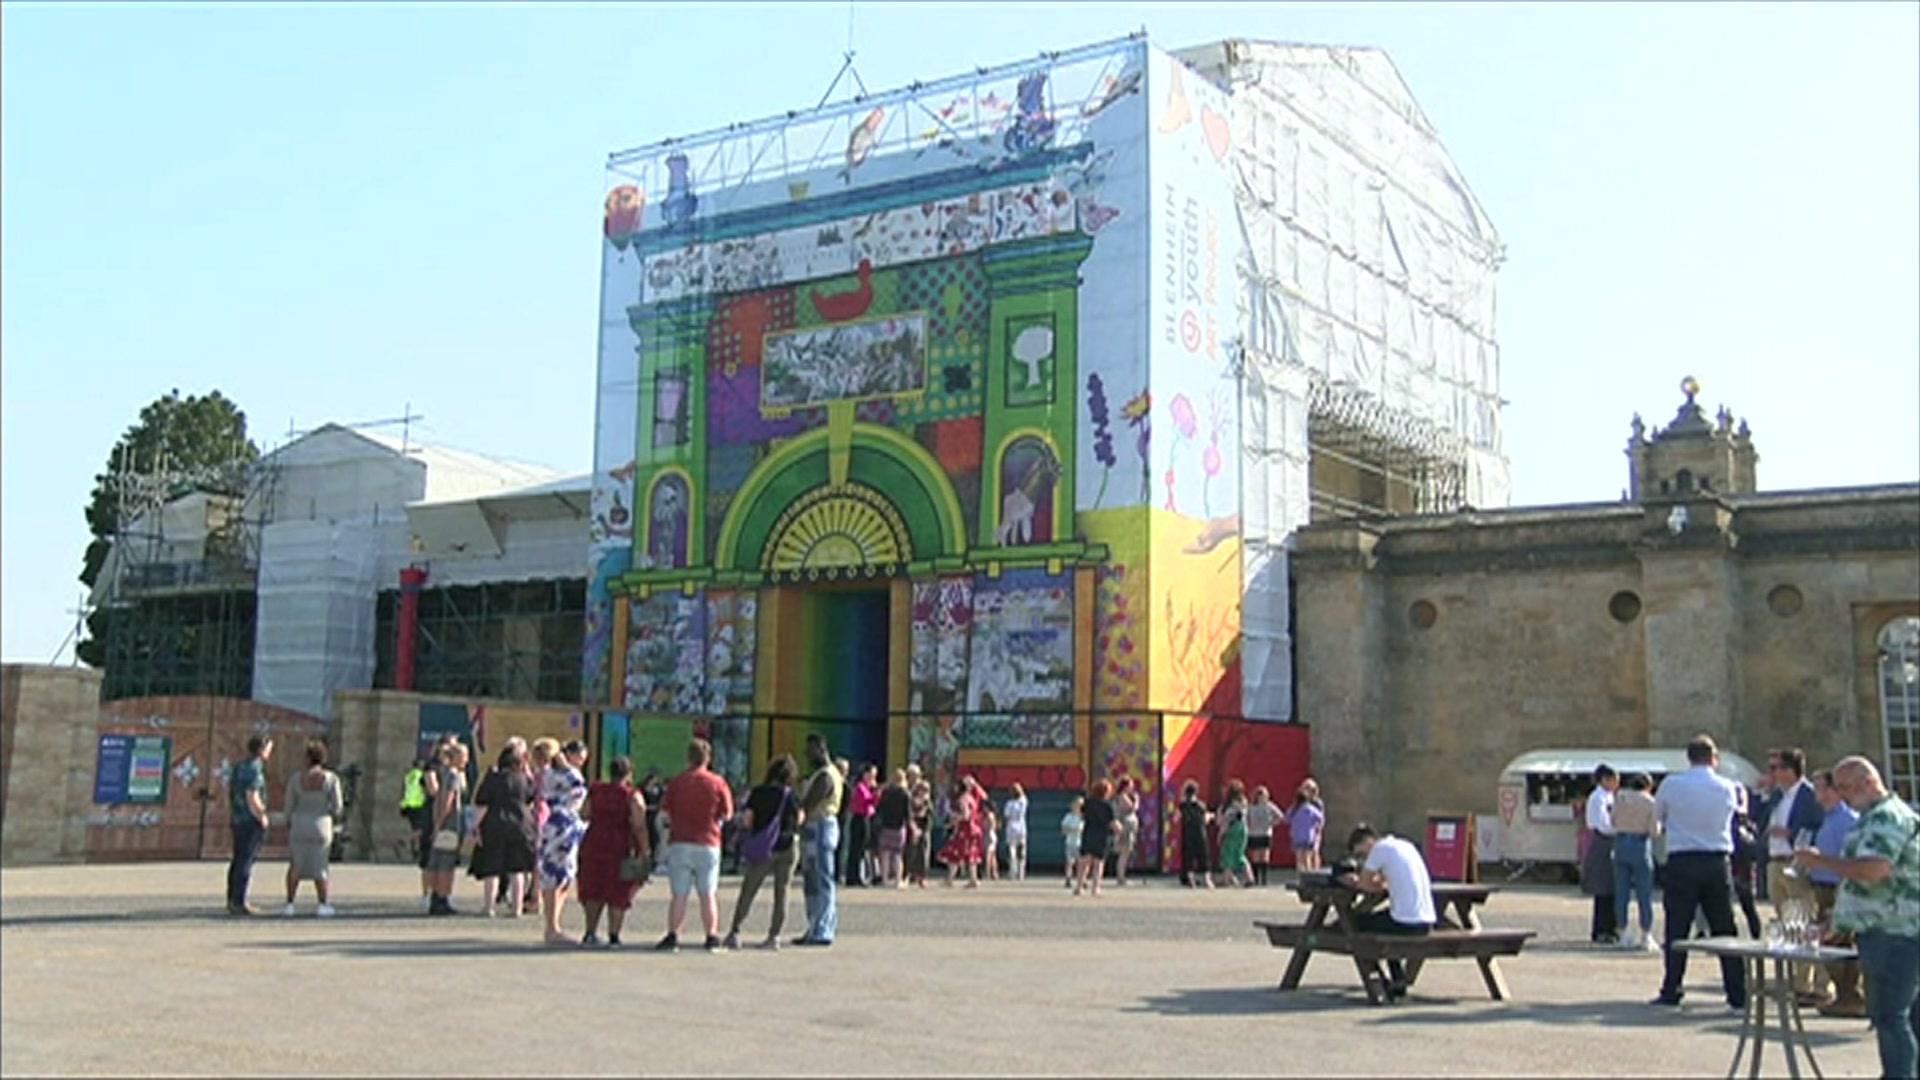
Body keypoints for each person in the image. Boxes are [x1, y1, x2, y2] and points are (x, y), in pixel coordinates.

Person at [1794, 756, 1920, 1080]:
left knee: (1890, 1016)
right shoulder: (1873, 817)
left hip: (1894, 931)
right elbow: (1863, 886)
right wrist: (1838, 921)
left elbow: (1875, 870)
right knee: (1905, 1015)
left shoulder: (1886, 818)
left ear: (1869, 782)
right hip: (1887, 926)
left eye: (1846, 788)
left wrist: (1823, 862)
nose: (1842, 795)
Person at [1650, 735, 1747, 1011]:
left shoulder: (1672, 785)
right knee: (1724, 927)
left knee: (1677, 927)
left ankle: (1672, 988)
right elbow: (1732, 817)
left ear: (1689, 757)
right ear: (1714, 758)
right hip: (1716, 860)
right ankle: (1736, 991)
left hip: (1682, 859)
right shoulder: (1728, 787)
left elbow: (1658, 820)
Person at [653, 738, 733, 952]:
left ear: (688, 757)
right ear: (708, 758)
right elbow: (727, 813)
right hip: (708, 842)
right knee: (708, 893)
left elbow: (665, 813)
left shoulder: (677, 782)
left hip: (680, 842)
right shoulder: (718, 783)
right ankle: (711, 937)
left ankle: (673, 936)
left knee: (679, 894)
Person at [1341, 824, 1437, 1002]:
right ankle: (1398, 978)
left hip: (1405, 923)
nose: (1362, 859)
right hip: (1427, 921)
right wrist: (1374, 882)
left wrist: (1352, 881)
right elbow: (1383, 882)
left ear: (1367, 842)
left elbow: (1364, 884)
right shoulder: (1404, 845)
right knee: (1385, 920)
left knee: (1354, 924)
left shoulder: (1379, 849)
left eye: (1361, 854)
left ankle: (1380, 980)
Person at [1760, 747, 1826, 1003]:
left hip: (1796, 862)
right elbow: (1758, 818)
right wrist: (1763, 794)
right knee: (1788, 927)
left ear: (1790, 771)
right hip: (1775, 861)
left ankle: (1817, 984)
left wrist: (1790, 833)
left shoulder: (1809, 795)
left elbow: (1816, 825)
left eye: (1775, 768)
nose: (1771, 774)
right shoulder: (1777, 795)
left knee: (1805, 924)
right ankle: (1800, 982)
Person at [725, 754, 803, 950]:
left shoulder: (759, 793)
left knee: (749, 889)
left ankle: (735, 931)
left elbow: (748, 819)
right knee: (782, 892)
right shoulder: (791, 795)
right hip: (789, 846)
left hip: (764, 846)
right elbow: (800, 818)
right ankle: (773, 936)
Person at [1806, 769, 1865, 1017]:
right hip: (1822, 887)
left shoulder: (1848, 820)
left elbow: (1851, 858)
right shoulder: (1828, 818)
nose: (1816, 794)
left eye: (1820, 787)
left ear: (1833, 790)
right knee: (1828, 943)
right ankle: (1844, 994)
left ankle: (1851, 996)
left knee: (1840, 943)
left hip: (1839, 888)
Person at [578, 755, 649, 948]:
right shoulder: (632, 795)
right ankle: (614, 935)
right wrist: (645, 850)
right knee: (618, 891)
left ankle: (590, 932)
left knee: (593, 887)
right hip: (621, 845)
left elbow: (584, 814)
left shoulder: (596, 790)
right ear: (628, 774)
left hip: (594, 842)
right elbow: (638, 824)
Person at [469, 744, 537, 918]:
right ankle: (517, 908)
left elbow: (482, 804)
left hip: (495, 824)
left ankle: (489, 907)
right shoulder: (524, 779)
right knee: (518, 869)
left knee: (492, 868)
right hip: (521, 825)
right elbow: (531, 798)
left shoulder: (492, 778)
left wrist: (475, 826)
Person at [281, 739, 343, 917]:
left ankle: (290, 904)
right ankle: (323, 905)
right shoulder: (331, 779)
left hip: (300, 824)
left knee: (295, 866)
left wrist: (289, 820)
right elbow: (337, 807)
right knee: (321, 867)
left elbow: (288, 805)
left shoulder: (296, 779)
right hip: (321, 825)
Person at [536, 738, 589, 945]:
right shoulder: (570, 775)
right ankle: (552, 927)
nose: (581, 762)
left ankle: (553, 924)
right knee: (560, 876)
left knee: (557, 876)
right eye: (580, 757)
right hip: (564, 825)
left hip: (553, 824)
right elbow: (577, 791)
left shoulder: (547, 773)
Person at [794, 735, 844, 946]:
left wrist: (798, 808)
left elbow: (808, 803)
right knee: (813, 880)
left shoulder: (825, 776)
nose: (807, 755)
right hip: (820, 827)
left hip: (820, 827)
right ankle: (815, 926)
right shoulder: (825, 774)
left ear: (820, 750)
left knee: (820, 880)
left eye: (810, 751)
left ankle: (822, 929)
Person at [1610, 772, 1660, 952]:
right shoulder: (1650, 802)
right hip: (1640, 844)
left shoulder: (1620, 798)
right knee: (1644, 892)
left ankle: (1622, 932)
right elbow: (1654, 830)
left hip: (1621, 842)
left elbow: (1612, 821)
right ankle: (1646, 934)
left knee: (1621, 891)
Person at [226, 735, 273, 916]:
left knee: (237, 860)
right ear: (261, 750)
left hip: (237, 818)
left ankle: (232, 898)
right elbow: (252, 795)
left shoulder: (240, 767)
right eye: (268, 748)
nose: (269, 752)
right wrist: (262, 816)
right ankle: (240, 901)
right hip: (249, 820)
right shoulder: (254, 770)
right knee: (246, 860)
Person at [424, 741, 470, 917]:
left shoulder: (444, 773)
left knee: (436, 861)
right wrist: (440, 823)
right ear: (455, 757)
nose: (466, 760)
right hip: (449, 824)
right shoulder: (453, 776)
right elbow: (446, 801)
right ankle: (442, 898)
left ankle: (435, 896)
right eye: (464, 756)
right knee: (446, 863)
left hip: (442, 822)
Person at [1583, 764, 1621, 945]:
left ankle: (1610, 927)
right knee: (1603, 888)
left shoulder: (1609, 797)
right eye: (1613, 780)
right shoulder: (1598, 798)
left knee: (1611, 887)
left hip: (1610, 841)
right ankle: (1601, 929)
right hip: (1603, 841)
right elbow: (1602, 824)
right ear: (1604, 780)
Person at [1074, 779, 1119, 897]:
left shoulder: (1088, 803)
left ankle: (1079, 886)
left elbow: (1079, 812)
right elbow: (1113, 823)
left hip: (1088, 832)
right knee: (1098, 863)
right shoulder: (1108, 806)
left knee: (1084, 861)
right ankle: (1095, 887)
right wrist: (1119, 830)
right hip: (1102, 835)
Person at [940, 777, 985, 888]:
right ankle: (973, 879)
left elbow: (965, 815)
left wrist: (954, 818)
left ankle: (950, 879)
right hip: (974, 829)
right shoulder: (972, 798)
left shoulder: (962, 799)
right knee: (971, 855)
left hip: (965, 830)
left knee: (955, 854)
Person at [875, 769, 911, 888]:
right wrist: (911, 826)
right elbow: (908, 813)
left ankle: (885, 879)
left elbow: (879, 808)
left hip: (886, 826)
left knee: (885, 854)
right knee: (897, 855)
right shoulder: (905, 793)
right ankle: (897, 880)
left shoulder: (886, 792)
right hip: (899, 827)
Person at [846, 764, 879, 888]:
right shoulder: (860, 787)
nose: (873, 778)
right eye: (871, 775)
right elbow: (866, 800)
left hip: (866, 817)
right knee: (857, 848)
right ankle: (854, 876)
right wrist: (875, 793)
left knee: (862, 848)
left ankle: (858, 875)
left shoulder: (867, 787)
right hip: (859, 818)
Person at [1178, 781, 1214, 889]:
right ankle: (1207, 881)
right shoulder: (1200, 805)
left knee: (1188, 857)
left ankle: (1191, 880)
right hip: (1200, 833)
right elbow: (1205, 820)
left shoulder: (1182, 806)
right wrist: (1211, 816)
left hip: (1187, 834)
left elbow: (1176, 817)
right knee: (1203, 857)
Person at [1218, 780, 1253, 888]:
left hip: (1232, 830)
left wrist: (1221, 834)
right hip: (1243, 830)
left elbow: (1227, 821)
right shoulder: (1243, 802)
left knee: (1227, 854)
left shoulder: (1229, 806)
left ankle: (1227, 879)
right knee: (1239, 854)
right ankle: (1249, 877)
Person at [1245, 785, 1280, 886]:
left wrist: (1271, 823)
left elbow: (1280, 816)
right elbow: (1246, 817)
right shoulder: (1251, 807)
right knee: (1255, 857)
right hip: (1254, 833)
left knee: (1264, 856)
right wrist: (1249, 826)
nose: (1262, 798)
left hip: (1265, 833)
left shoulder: (1269, 806)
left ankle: (1264, 880)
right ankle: (1256, 879)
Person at [1288, 780, 1324, 874]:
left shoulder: (1316, 803)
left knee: (1311, 854)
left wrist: (1317, 828)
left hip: (1311, 832)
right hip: (1307, 834)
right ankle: (1307, 873)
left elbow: (1320, 818)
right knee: (1304, 855)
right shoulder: (1300, 806)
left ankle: (1313, 871)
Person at [1111, 777, 1141, 886]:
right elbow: (1132, 808)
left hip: (1126, 826)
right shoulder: (1123, 796)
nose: (1132, 788)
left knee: (1125, 853)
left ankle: (1121, 876)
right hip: (1126, 827)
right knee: (1124, 853)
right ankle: (1121, 877)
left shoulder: (1120, 796)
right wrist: (1137, 800)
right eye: (1130, 786)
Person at [906, 777, 934, 889]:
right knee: (911, 852)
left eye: (927, 789)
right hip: (914, 828)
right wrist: (914, 828)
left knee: (923, 854)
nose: (925, 791)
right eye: (923, 789)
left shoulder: (928, 802)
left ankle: (922, 877)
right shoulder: (912, 800)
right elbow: (911, 815)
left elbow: (929, 816)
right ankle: (909, 875)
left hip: (925, 829)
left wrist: (924, 830)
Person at [1002, 783, 1029, 882]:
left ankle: (1013, 871)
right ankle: (1021, 873)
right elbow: (1023, 797)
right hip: (1021, 827)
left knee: (1012, 850)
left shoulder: (1009, 804)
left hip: (1011, 827)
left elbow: (1006, 815)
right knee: (1021, 850)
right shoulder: (1024, 801)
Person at [1061, 797, 1085, 887]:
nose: (1078, 807)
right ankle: (1068, 878)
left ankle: (1082, 879)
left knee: (1081, 862)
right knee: (1070, 862)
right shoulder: (1068, 817)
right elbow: (1063, 829)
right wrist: (1071, 830)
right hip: (1070, 842)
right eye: (1076, 805)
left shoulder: (1083, 818)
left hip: (1081, 842)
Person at [981, 801, 1001, 882]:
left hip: (988, 835)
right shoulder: (993, 815)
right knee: (993, 856)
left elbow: (986, 826)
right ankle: (995, 873)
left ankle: (987, 873)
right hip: (993, 835)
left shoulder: (989, 816)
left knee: (988, 855)